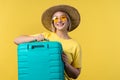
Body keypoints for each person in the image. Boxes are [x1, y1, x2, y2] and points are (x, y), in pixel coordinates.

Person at [14, 5, 82, 80]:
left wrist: (66, 64)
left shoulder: (74, 45)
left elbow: (76, 75)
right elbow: (17, 40)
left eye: (63, 17)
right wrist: (35, 38)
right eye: (55, 18)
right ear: (53, 22)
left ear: (68, 21)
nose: (59, 20)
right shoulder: (46, 36)